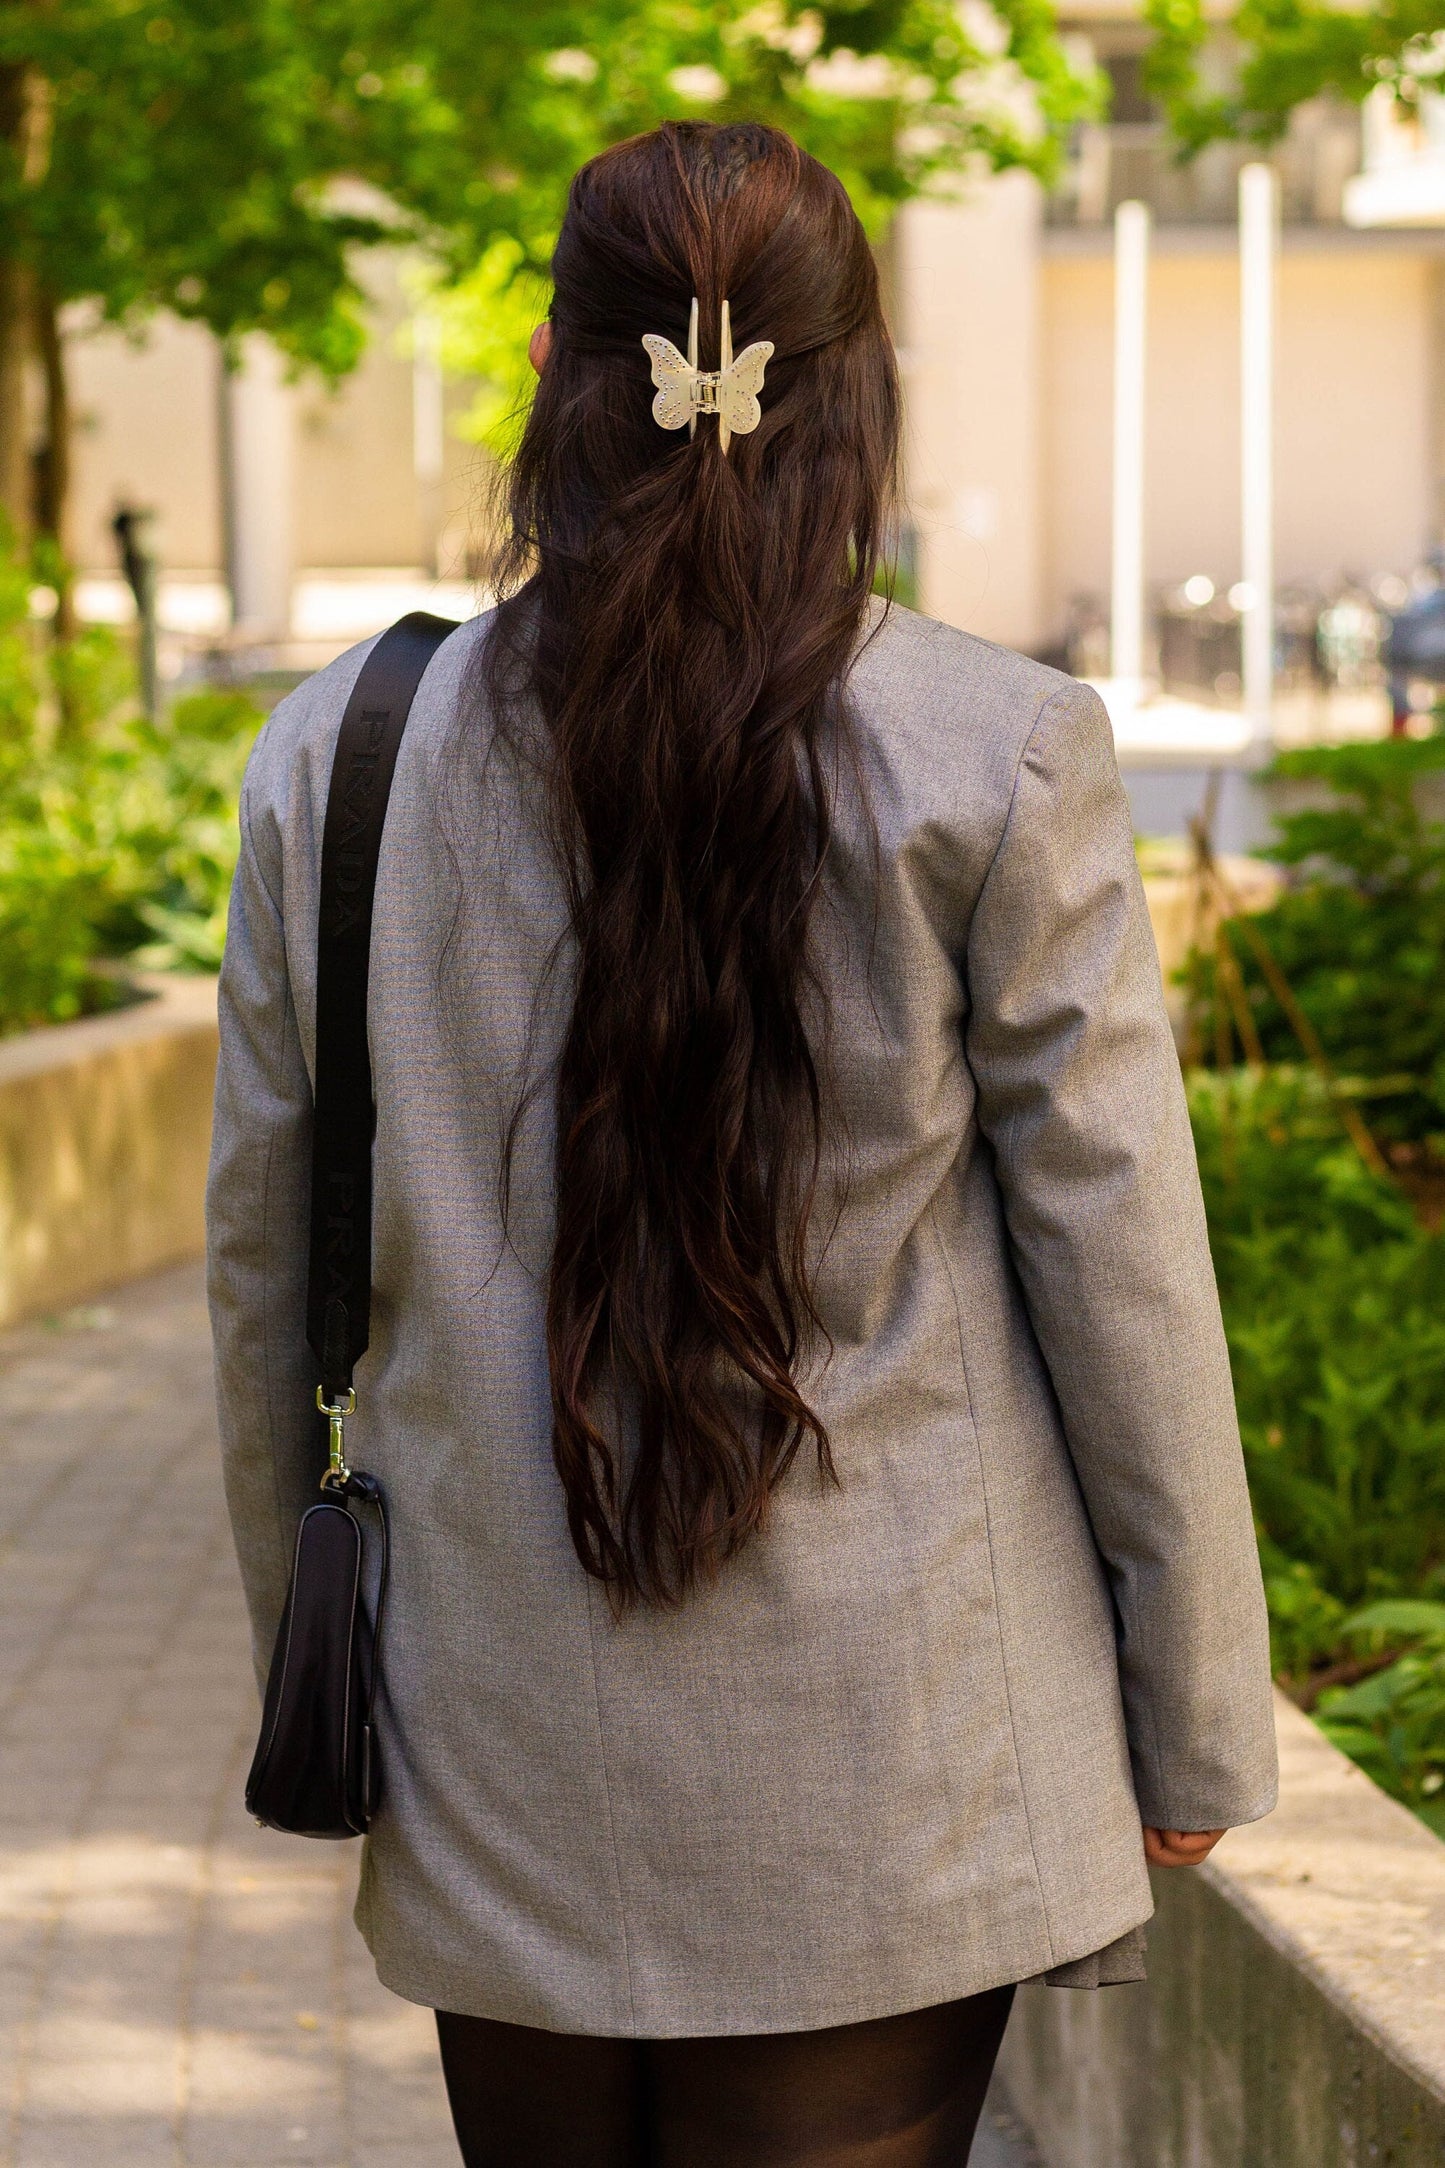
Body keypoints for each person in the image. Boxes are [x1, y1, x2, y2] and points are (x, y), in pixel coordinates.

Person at [207, 120, 1278, 2168]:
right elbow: (1121, 1264)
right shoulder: (1003, 752)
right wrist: (1198, 1706)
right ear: (859, 389)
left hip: (497, 1728)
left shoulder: (337, 760)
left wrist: (311, 1678)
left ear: (549, 369)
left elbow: (269, 1272)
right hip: (898, 1763)